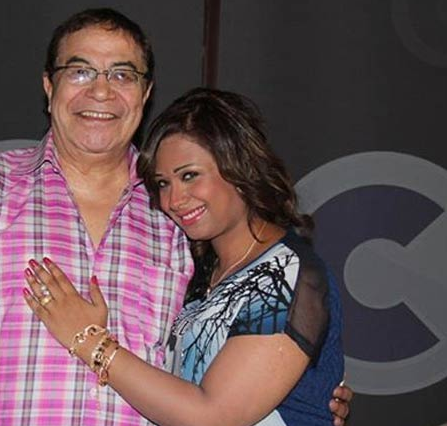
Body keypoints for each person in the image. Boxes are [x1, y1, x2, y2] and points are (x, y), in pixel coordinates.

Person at [0, 8, 351, 425]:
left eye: (122, 74)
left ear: (145, 92)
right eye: (80, 71)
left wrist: (306, 393)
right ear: (49, 85)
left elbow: (224, 397)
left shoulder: (182, 225)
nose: (101, 91)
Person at [24, 87, 347, 426]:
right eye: (163, 183)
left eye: (189, 175)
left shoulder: (283, 272)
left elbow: (214, 417)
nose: (173, 200)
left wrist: (90, 340)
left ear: (239, 166)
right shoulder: (201, 271)